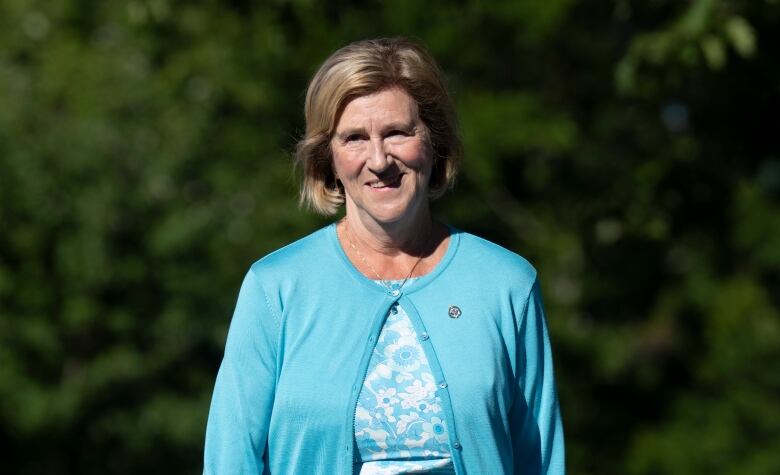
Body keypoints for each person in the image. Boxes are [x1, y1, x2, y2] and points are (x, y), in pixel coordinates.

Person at [204, 37, 565, 474]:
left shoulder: (505, 285)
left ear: (433, 142)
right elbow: (231, 459)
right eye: (354, 138)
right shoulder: (276, 288)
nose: (379, 159)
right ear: (328, 158)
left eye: (397, 132)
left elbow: (540, 460)